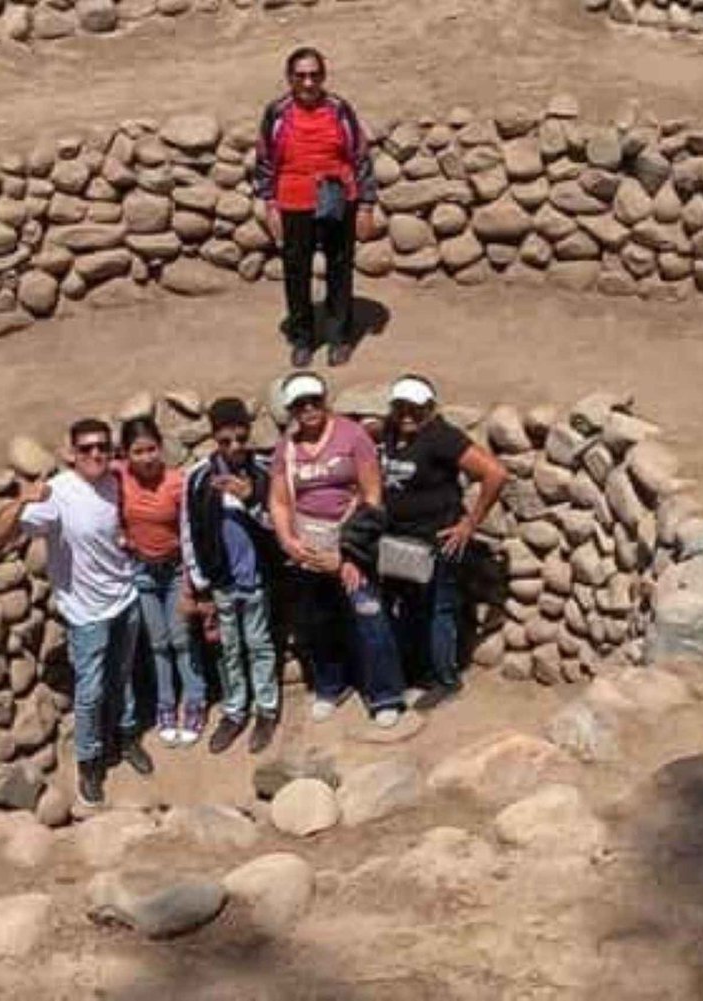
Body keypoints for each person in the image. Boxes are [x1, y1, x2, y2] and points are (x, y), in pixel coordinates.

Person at [0, 418, 154, 810]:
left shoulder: (116, 480)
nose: (95, 454)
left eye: (102, 447)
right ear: (72, 454)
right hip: (86, 615)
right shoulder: (57, 494)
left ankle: (127, 736)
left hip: (124, 599)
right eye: (86, 449)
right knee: (90, 692)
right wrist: (22, 501)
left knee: (124, 675)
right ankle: (90, 761)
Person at [268, 372, 407, 728]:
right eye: (300, 404)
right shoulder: (286, 448)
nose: (309, 409)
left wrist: (349, 553)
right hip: (308, 548)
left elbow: (372, 496)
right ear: (291, 409)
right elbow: (280, 501)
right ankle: (331, 685)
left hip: (350, 541)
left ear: (324, 399)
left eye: (314, 400)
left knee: (369, 615)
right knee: (319, 621)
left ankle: (385, 693)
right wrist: (288, 541)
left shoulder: (352, 436)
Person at [379, 374, 510, 700]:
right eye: (400, 406)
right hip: (401, 542)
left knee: (439, 609)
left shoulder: (442, 437)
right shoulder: (392, 432)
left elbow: (495, 472)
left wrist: (469, 523)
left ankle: (446, 680)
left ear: (431, 408)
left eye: (415, 407)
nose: (407, 413)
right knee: (410, 608)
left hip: (438, 541)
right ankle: (419, 672)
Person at [255, 46, 377, 370]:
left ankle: (339, 337)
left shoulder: (339, 109)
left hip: (337, 194)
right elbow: (265, 160)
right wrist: (270, 204)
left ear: (323, 77)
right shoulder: (277, 113)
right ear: (289, 78)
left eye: (314, 75)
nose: (308, 83)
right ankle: (302, 338)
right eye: (301, 76)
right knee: (296, 270)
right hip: (293, 199)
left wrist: (366, 204)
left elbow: (360, 155)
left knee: (340, 266)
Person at [179, 397, 280, 755]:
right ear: (214, 439)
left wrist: (252, 499)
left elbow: (277, 526)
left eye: (240, 438)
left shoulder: (263, 473)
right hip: (221, 580)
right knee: (230, 648)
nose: (235, 447)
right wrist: (198, 580)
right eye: (226, 441)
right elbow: (189, 531)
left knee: (259, 643)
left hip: (256, 578)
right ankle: (235, 710)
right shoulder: (200, 477)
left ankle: (266, 708)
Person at [117, 416, 206, 748]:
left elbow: (191, 533)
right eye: (138, 451)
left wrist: (191, 585)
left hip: (174, 572)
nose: (146, 457)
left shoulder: (176, 483)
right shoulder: (119, 477)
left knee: (182, 640)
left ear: (161, 447)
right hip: (141, 572)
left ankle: (195, 702)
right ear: (126, 454)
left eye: (151, 448)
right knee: (157, 644)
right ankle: (165, 705)